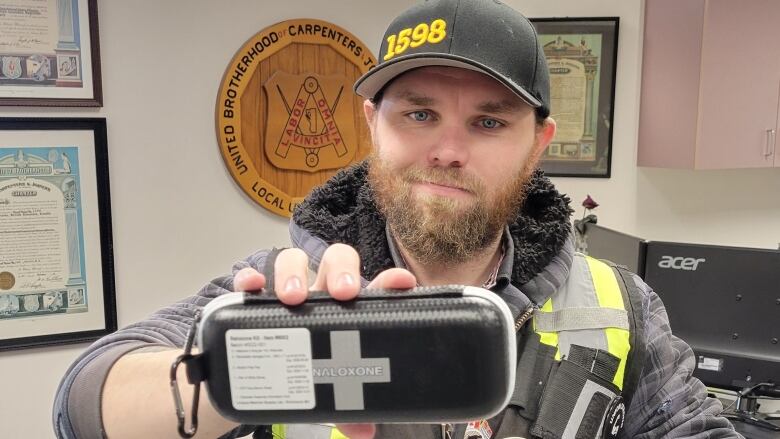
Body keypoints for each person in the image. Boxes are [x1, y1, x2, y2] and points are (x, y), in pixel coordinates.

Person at [53, 0, 743, 438]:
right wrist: (246, 370)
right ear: (370, 125)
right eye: (418, 114)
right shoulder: (278, 295)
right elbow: (83, 402)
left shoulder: (623, 306)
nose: (447, 150)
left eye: (488, 121)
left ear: (537, 142)